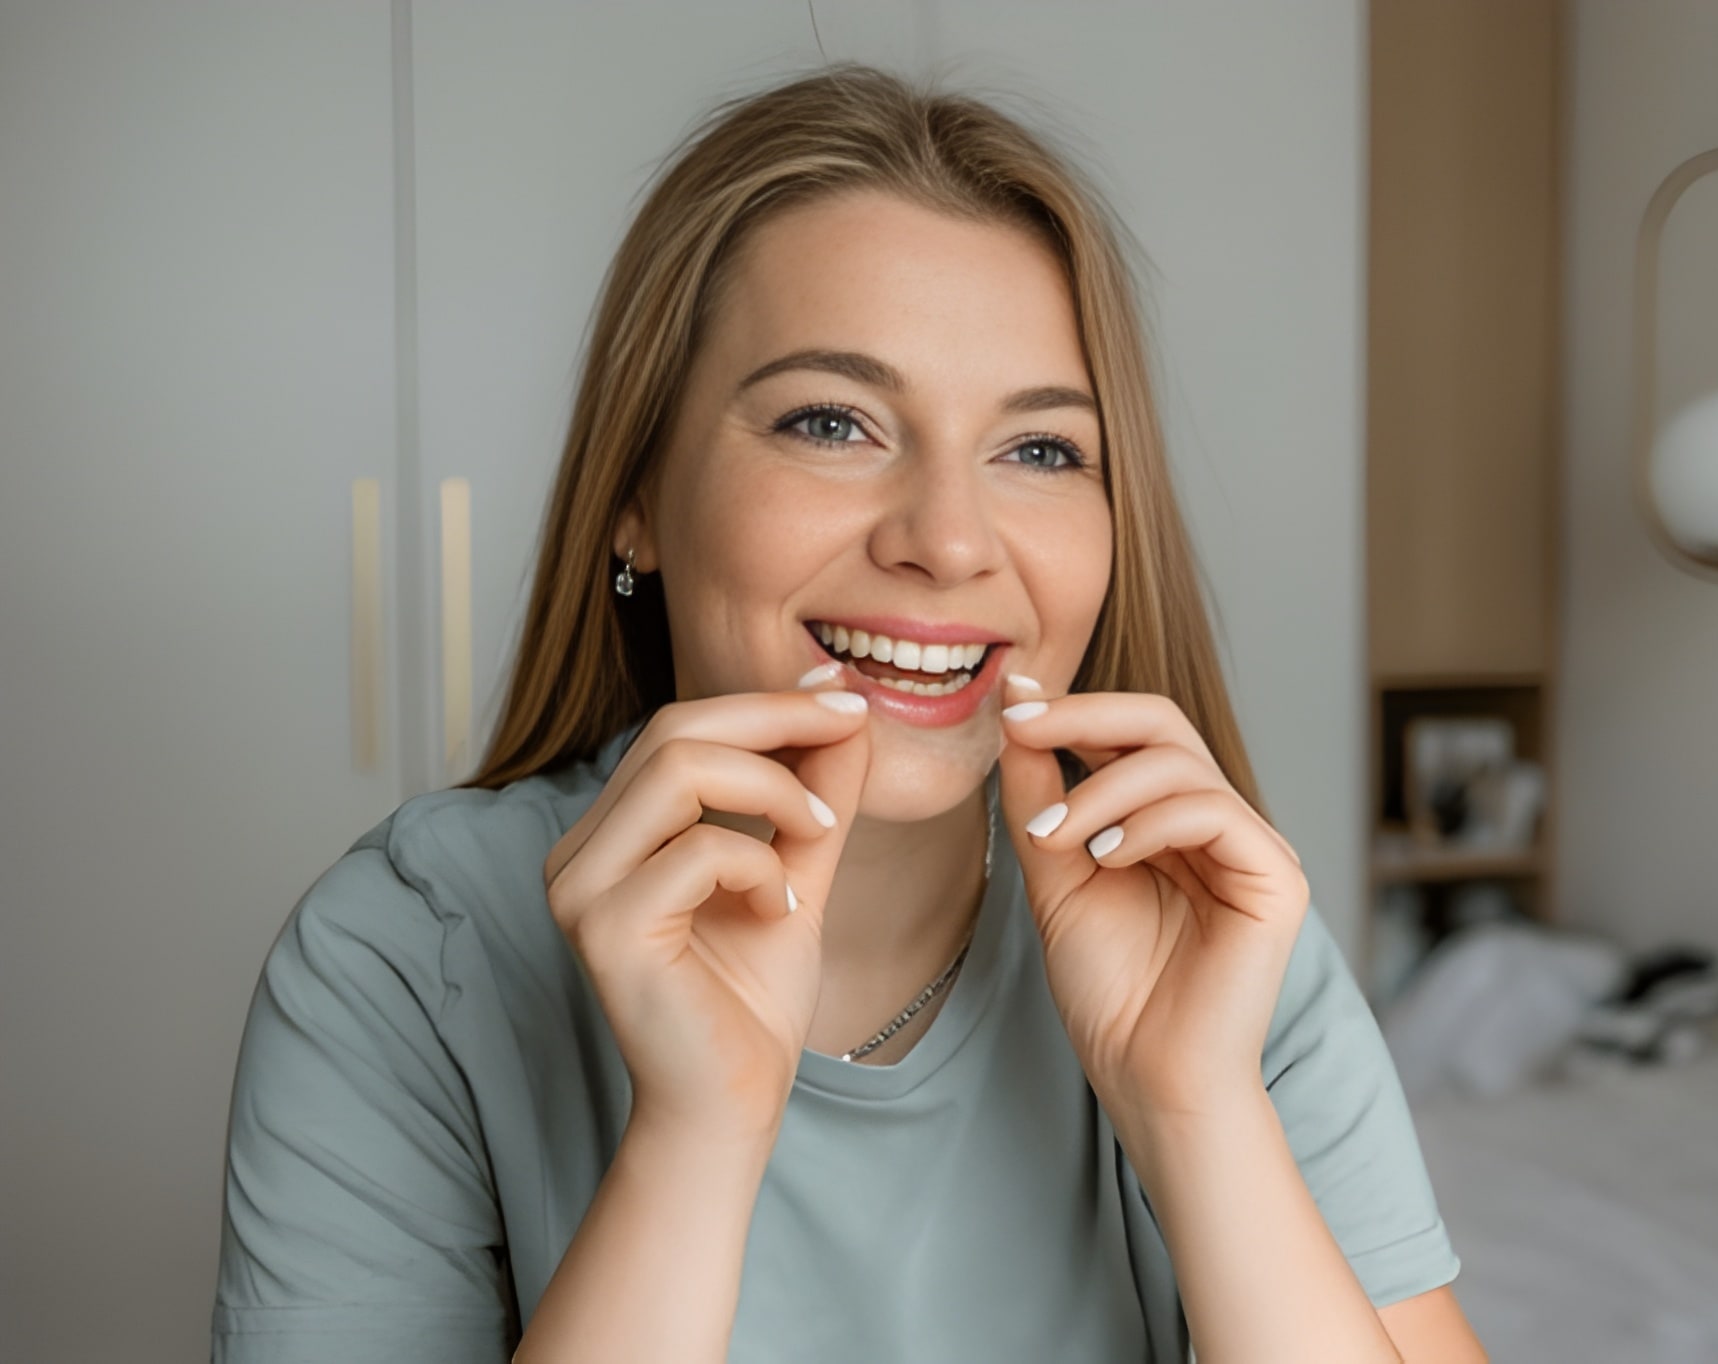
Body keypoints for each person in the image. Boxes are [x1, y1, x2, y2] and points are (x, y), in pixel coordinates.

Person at [210, 64, 1483, 1363]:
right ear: (635, 494)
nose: (947, 539)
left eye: (1040, 450)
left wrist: (1197, 1110)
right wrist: (696, 1138)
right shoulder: (399, 963)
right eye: (833, 422)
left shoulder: (1212, 939)